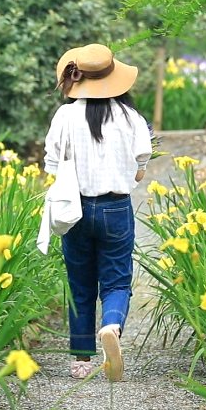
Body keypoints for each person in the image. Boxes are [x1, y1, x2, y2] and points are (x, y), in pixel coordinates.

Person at [42, 43, 153, 381]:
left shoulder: (65, 115)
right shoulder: (130, 117)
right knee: (117, 280)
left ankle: (81, 360)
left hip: (74, 208)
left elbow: (51, 164)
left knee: (80, 283)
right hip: (116, 208)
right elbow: (142, 162)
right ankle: (112, 326)